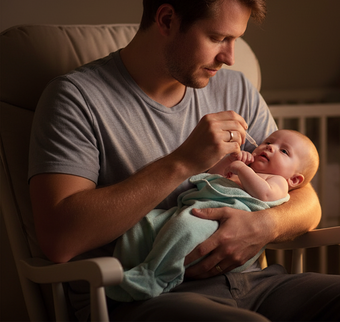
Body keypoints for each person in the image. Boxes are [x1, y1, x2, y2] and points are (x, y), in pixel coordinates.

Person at [28, 0, 340, 321]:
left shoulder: (234, 87)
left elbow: (305, 198)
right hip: (145, 294)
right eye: (217, 37)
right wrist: (183, 162)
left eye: (235, 39)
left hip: (255, 283)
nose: (229, 56)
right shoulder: (76, 98)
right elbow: (60, 238)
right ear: (167, 20)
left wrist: (261, 226)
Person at [106, 129, 320, 302]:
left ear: (295, 180)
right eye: (268, 142)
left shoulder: (278, 182)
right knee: (144, 222)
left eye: (284, 151)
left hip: (219, 228)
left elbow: (264, 194)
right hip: (190, 210)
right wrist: (227, 163)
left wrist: (240, 169)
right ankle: (128, 266)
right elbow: (209, 178)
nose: (271, 147)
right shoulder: (245, 168)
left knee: (185, 229)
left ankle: (155, 275)